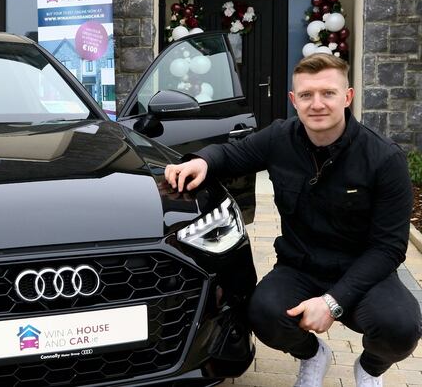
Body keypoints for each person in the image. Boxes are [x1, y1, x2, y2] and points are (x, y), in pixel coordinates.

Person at [164, 54, 420, 387]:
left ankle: (370, 368)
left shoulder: (385, 158)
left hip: (364, 273)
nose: (317, 104)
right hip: (301, 268)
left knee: (400, 328)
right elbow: (231, 154)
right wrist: (201, 162)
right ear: (293, 100)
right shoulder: (279, 138)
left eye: (328, 93)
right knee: (261, 312)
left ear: (348, 97)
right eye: (306, 95)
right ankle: (313, 356)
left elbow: (389, 248)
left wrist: (332, 303)